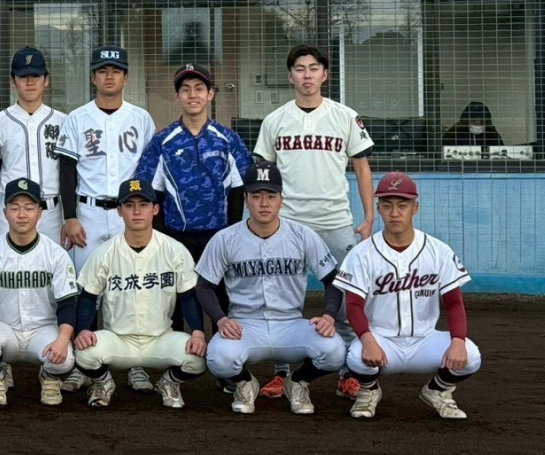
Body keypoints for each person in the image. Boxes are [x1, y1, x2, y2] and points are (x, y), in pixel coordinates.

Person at [254, 44, 374, 399]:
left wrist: (367, 217)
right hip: (287, 223)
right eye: (300, 69)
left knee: (346, 299)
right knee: (278, 300)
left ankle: (348, 373)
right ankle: (280, 373)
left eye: (314, 68)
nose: (307, 75)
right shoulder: (275, 120)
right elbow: (263, 175)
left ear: (325, 74)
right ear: (290, 76)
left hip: (336, 221)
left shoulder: (345, 116)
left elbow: (362, 168)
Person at [196, 161, 346, 415]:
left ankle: (297, 383)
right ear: (246, 201)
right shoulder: (225, 239)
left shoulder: (302, 235)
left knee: (334, 351)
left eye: (270, 195)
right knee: (217, 358)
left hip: (291, 325)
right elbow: (204, 286)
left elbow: (332, 279)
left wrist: (329, 316)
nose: (263, 203)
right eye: (256, 196)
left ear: (281, 200)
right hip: (245, 326)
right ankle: (245, 383)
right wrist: (220, 320)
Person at [135, 63, 250, 391]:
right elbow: (149, 189)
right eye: (185, 89)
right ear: (177, 96)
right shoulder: (164, 141)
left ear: (211, 94)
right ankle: (174, 369)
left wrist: (231, 232)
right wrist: (159, 234)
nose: (193, 95)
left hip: (217, 235)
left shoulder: (227, 139)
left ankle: (226, 370)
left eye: (199, 89)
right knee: (173, 301)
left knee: (222, 300)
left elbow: (241, 187)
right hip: (175, 235)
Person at [336, 172, 481, 419]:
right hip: (382, 342)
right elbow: (353, 304)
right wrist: (368, 339)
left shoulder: (438, 251)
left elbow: (454, 302)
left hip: (425, 340)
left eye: (402, 205)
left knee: (471, 355)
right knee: (355, 356)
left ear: (415, 208)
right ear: (378, 208)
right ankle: (369, 392)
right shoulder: (362, 254)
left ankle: (437, 391)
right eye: (387, 205)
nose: (395, 213)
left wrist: (457, 340)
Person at [55, 46, 156, 393]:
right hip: (89, 213)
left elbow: (148, 171)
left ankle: (135, 364)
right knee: (88, 289)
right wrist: (69, 217)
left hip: (130, 214)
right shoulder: (77, 118)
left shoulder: (140, 118)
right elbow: (66, 170)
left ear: (126, 77)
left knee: (131, 290)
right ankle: (86, 364)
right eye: (102, 70)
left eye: (116, 70)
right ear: (92, 77)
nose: (109, 76)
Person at [70, 178, 207, 409]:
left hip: (160, 338)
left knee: (199, 357)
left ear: (155, 209)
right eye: (129, 205)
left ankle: (169, 383)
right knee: (83, 352)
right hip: (117, 339)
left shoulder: (174, 250)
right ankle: (104, 383)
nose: (136, 211)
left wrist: (198, 332)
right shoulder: (105, 253)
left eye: (143, 205)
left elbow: (188, 298)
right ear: (119, 211)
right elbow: (87, 298)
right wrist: (83, 329)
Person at [0, 178, 77, 407]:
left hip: (43, 330)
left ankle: (49, 378)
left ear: (40, 213)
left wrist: (63, 339)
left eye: (29, 208)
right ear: (5, 212)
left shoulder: (55, 254)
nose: (22, 214)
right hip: (4, 330)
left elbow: (68, 305)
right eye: (15, 208)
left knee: (64, 358)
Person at [0, 46, 67, 246]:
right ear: (12, 82)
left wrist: (69, 218)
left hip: (51, 214)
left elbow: (68, 174)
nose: (30, 82)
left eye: (35, 76)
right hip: (11, 213)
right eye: (23, 77)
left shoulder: (63, 122)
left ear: (46, 80)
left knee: (51, 272)